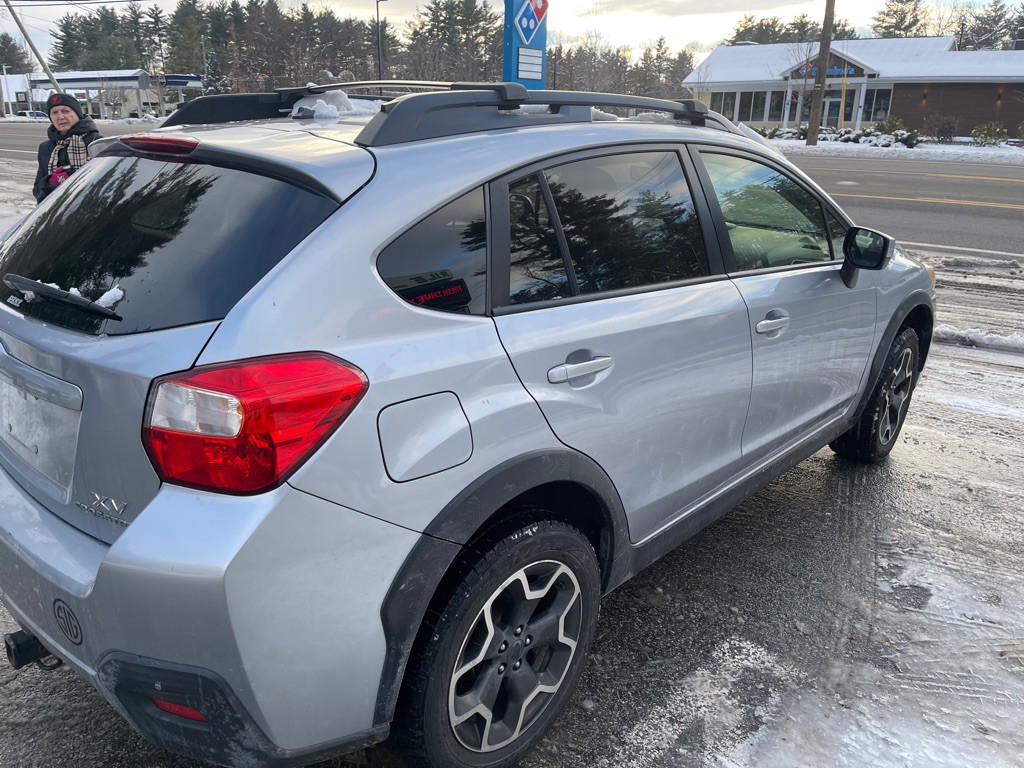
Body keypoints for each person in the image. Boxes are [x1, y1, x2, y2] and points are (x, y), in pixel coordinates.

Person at [32, 93, 101, 203]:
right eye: (54, 113)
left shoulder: (96, 142)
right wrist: (50, 183)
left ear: (77, 114)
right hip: (58, 209)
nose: (60, 117)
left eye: (65, 111)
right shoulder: (46, 148)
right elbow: (37, 189)